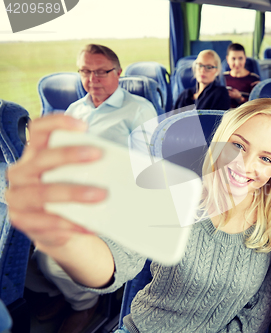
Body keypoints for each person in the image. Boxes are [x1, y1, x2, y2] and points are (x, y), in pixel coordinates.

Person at [6, 98, 271, 333]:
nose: (244, 165)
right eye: (237, 145)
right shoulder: (174, 193)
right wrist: (62, 235)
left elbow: (254, 320)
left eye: (266, 159)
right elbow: (113, 261)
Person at [24, 43, 159, 333]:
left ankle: (85, 304)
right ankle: (63, 293)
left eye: (101, 72)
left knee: (51, 260)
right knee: (25, 247)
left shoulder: (138, 110)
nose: (92, 79)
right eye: (85, 71)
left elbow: (147, 171)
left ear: (118, 73)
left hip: (113, 202)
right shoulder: (75, 109)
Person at [224, 43, 260, 108]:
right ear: (227, 59)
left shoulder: (253, 79)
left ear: (245, 59)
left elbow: (256, 105)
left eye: (240, 58)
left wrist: (240, 98)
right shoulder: (222, 78)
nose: (237, 63)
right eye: (233, 59)